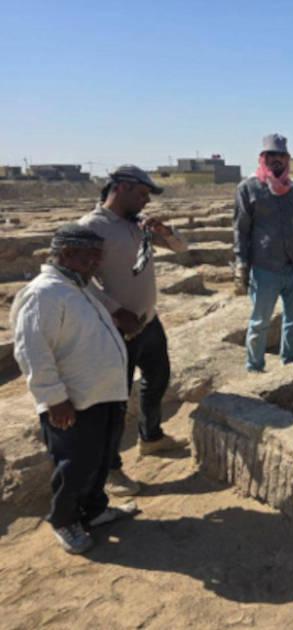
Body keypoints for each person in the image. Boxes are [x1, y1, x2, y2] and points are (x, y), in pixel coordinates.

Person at [12, 224, 139, 554]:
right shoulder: (44, 293)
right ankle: (64, 520)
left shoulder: (77, 286)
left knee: (99, 460)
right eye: (90, 257)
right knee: (76, 464)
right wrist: (55, 399)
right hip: (74, 401)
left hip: (103, 394)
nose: (96, 264)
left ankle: (94, 511)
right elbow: (32, 351)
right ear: (67, 254)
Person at [80, 165, 191, 498]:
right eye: (142, 194)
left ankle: (151, 437)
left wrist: (164, 231)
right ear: (123, 188)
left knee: (157, 379)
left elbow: (181, 248)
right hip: (118, 330)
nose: (145, 201)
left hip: (148, 322)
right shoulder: (91, 227)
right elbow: (79, 281)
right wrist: (116, 312)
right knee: (115, 401)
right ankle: (111, 470)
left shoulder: (136, 224)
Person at [234, 133, 293, 372]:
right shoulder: (248, 188)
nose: (276, 160)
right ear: (263, 157)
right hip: (265, 268)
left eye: (281, 155)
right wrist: (241, 264)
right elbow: (240, 229)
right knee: (260, 322)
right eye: (271, 155)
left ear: (287, 159)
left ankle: (289, 360)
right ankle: (254, 365)